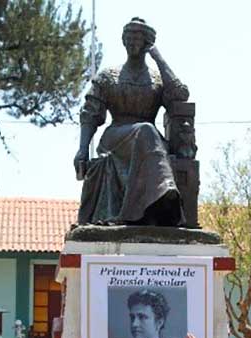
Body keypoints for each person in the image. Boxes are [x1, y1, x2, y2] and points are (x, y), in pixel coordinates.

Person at [74, 17, 188, 226]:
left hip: (149, 140)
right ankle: (165, 191)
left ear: (147, 43)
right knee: (146, 130)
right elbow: (90, 114)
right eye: (128, 37)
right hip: (116, 138)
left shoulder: (157, 79)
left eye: (138, 38)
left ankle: (154, 202)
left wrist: (158, 57)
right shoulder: (108, 76)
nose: (132, 42)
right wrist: (82, 149)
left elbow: (180, 95)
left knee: (146, 131)